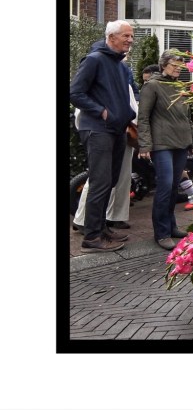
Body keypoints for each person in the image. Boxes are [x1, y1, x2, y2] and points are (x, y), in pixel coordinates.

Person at [69, 21, 136, 252]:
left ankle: (101, 228)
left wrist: (125, 117)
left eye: (131, 36)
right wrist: (102, 111)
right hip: (97, 129)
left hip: (116, 130)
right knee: (100, 183)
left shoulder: (119, 65)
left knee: (111, 181)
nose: (130, 39)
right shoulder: (95, 60)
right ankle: (91, 238)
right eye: (126, 35)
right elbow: (75, 93)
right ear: (111, 37)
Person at [137, 51, 193, 250]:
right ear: (163, 65)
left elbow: (186, 118)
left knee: (173, 187)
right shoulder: (152, 86)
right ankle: (161, 233)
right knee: (165, 185)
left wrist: (191, 142)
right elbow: (143, 117)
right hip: (161, 144)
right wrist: (145, 145)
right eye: (174, 65)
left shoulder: (180, 86)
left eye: (180, 65)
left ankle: (171, 226)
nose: (178, 68)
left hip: (180, 143)